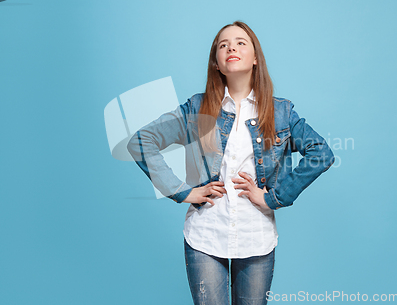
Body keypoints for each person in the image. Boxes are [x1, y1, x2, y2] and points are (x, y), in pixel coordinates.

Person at [127, 21, 335, 305]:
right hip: (205, 236)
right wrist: (182, 192)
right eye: (223, 45)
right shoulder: (197, 109)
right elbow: (141, 141)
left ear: (255, 58)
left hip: (256, 236)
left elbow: (321, 153)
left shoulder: (280, 112)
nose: (231, 48)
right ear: (216, 63)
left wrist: (275, 198)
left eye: (240, 43)